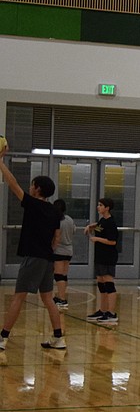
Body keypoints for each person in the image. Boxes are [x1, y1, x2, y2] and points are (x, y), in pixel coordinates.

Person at [0, 150, 67, 351]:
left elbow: (12, 183)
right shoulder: (55, 211)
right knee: (48, 298)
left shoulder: (33, 204)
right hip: (48, 258)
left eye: (32, 185)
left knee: (18, 297)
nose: (29, 188)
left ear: (37, 189)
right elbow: (56, 238)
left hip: (34, 258)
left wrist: (0, 162)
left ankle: (3, 338)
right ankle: (58, 338)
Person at [85, 197, 120, 325]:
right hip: (100, 256)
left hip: (108, 257)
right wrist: (90, 226)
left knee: (109, 284)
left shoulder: (111, 223)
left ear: (107, 208)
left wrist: (97, 239)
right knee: (101, 283)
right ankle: (103, 310)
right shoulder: (102, 221)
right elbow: (99, 226)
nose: (98, 207)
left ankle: (111, 313)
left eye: (100, 205)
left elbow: (112, 241)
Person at [51, 199, 75, 310]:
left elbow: (55, 236)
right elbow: (73, 231)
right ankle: (62, 296)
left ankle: (62, 299)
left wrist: (52, 248)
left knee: (58, 275)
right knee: (64, 275)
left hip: (59, 251)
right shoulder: (69, 219)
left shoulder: (56, 221)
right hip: (69, 250)